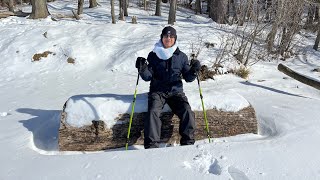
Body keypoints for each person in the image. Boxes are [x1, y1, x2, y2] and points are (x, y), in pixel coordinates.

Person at [135, 26, 201, 149]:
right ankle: (151, 146)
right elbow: (148, 76)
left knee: (187, 111)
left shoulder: (181, 56)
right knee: (153, 112)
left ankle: (188, 143)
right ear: (162, 38)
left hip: (176, 92)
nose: (168, 38)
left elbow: (188, 77)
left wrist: (194, 71)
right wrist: (142, 68)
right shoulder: (153, 55)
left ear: (175, 39)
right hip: (158, 91)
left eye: (171, 36)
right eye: (166, 36)